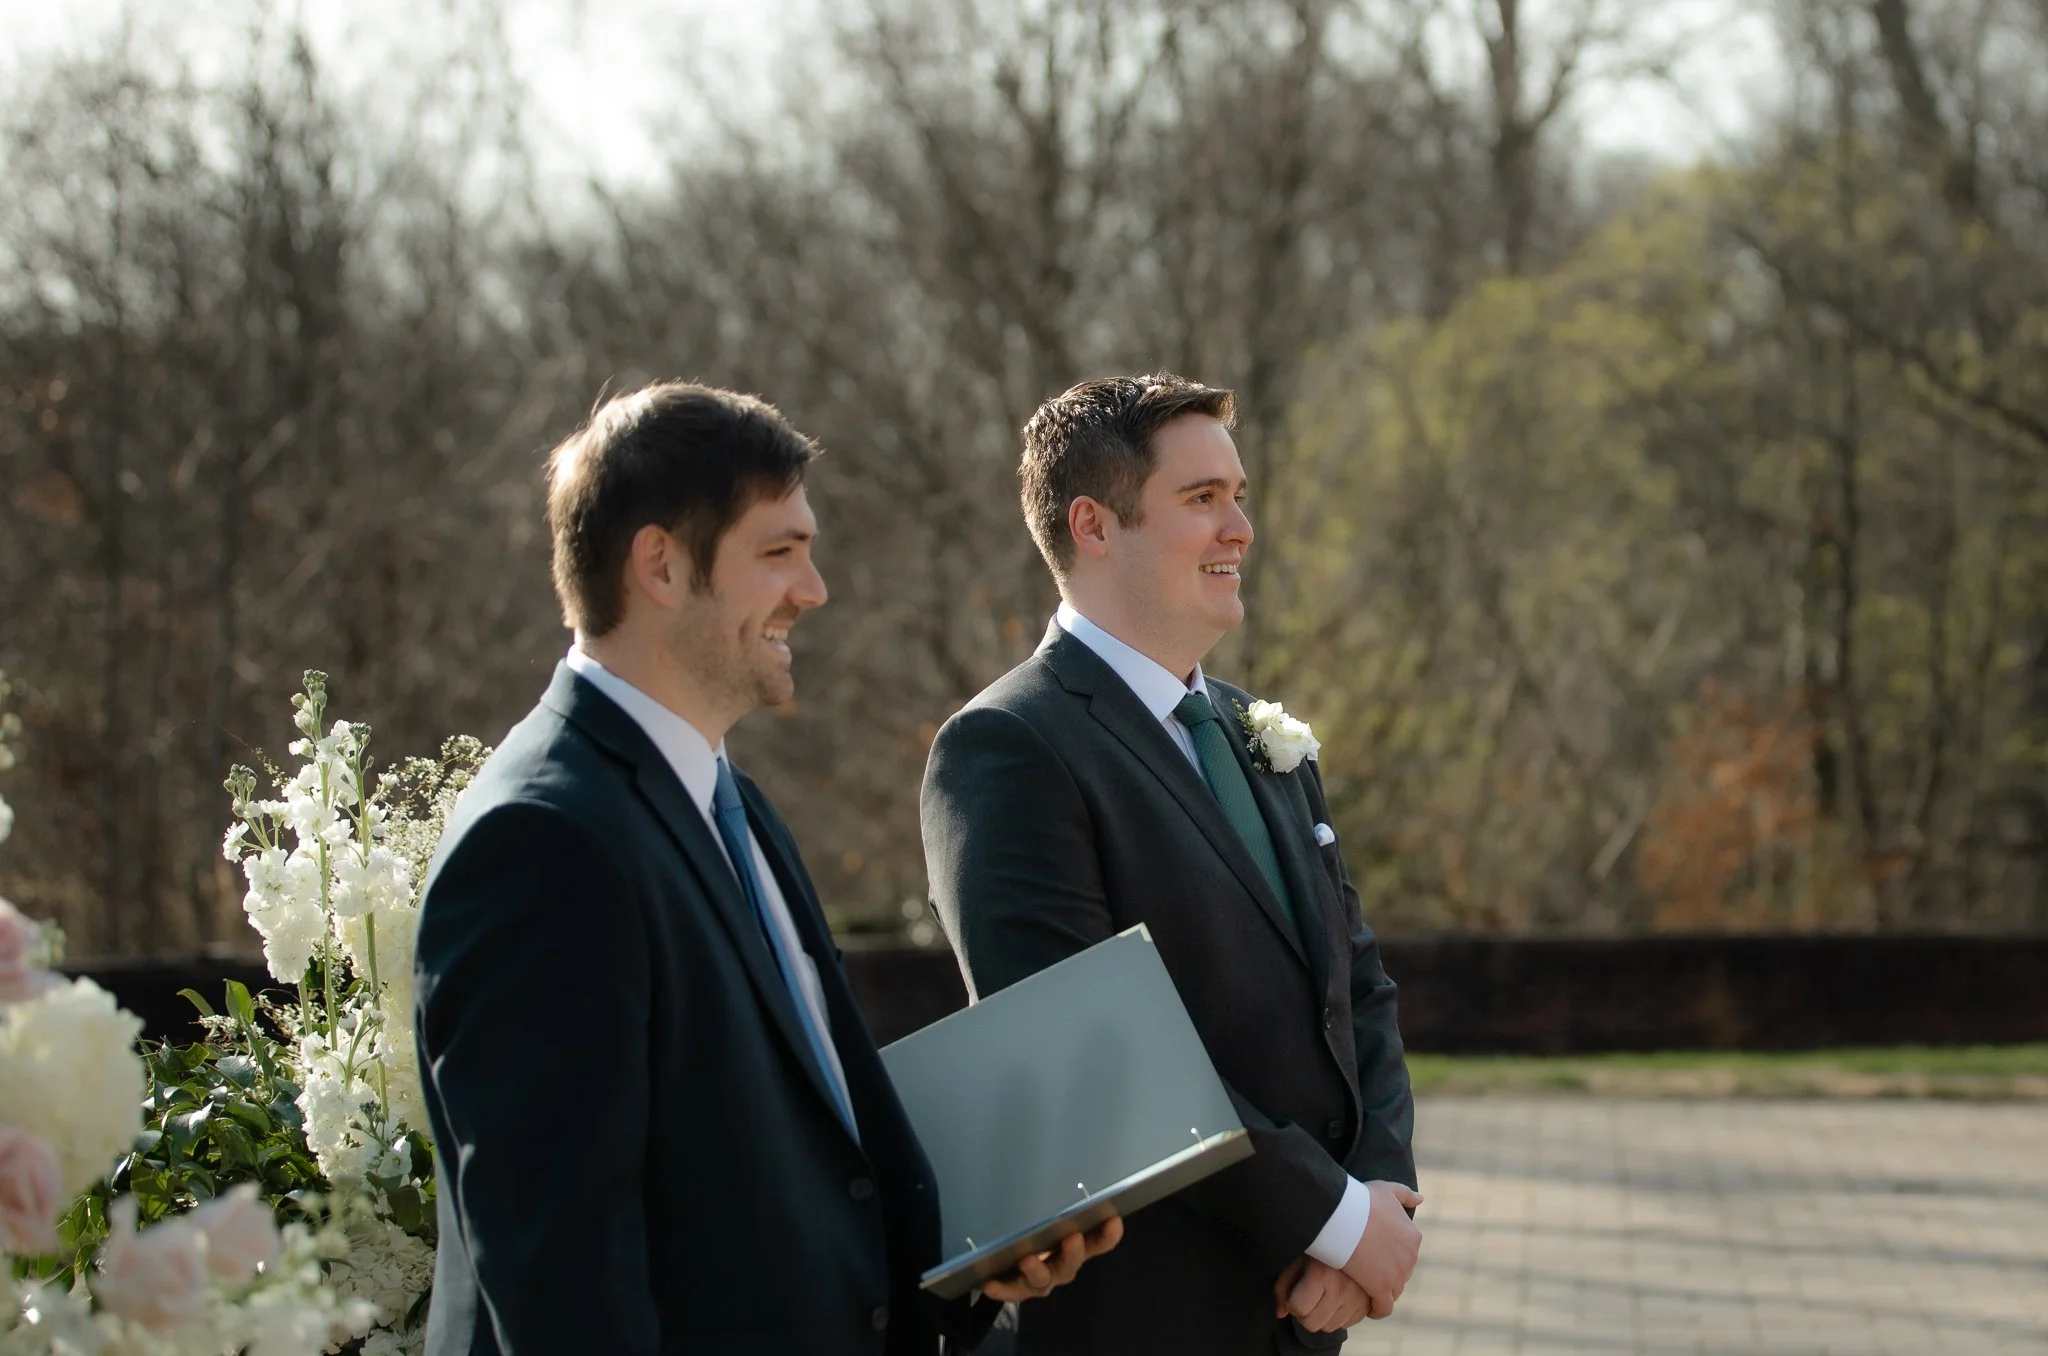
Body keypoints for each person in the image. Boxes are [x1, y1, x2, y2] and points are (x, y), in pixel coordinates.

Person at [413, 382, 1118, 1356]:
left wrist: (972, 1268)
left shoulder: (731, 806)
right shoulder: (542, 844)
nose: (813, 588)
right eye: (778, 552)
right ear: (658, 564)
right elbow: (563, 1278)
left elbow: (797, 1167)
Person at [920, 374, 1421, 1355]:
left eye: (1237, 496)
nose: (1238, 527)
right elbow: (1089, 1055)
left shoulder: (1247, 731)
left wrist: (1377, 1196)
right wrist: (1333, 1223)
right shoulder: (1006, 747)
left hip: (1297, 1315)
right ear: (1094, 526)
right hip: (1141, 1319)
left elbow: (1355, 985)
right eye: (1201, 500)